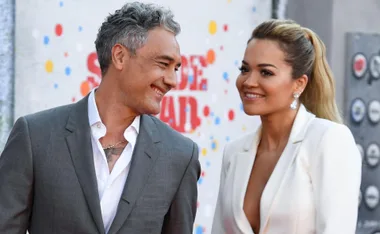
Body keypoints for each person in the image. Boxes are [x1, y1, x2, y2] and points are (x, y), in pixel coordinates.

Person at [0, 2, 200, 234]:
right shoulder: (35, 137)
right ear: (120, 56)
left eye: (176, 68)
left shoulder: (180, 155)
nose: (172, 80)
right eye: (163, 64)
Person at [211, 19, 361, 234]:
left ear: (299, 83)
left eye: (266, 72)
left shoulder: (328, 140)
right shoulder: (234, 152)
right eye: (244, 69)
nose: (248, 81)